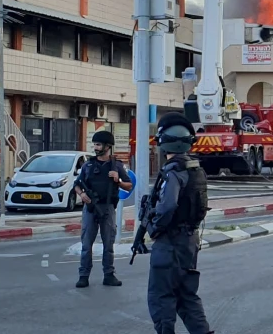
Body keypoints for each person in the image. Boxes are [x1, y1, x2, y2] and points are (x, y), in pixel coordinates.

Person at [142, 112, 214, 334]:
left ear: (165, 143)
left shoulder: (174, 172)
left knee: (161, 297)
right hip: (189, 242)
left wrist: (154, 228)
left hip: (170, 242)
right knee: (186, 295)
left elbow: (168, 207)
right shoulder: (195, 169)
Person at [73, 130, 132, 288]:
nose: (96, 147)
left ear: (108, 146)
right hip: (90, 208)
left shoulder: (117, 165)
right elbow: (77, 185)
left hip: (107, 208)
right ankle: (83, 275)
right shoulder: (88, 165)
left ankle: (109, 275)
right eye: (95, 144)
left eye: (98, 144)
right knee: (86, 244)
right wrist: (82, 194)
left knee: (108, 244)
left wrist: (117, 180)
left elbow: (129, 185)